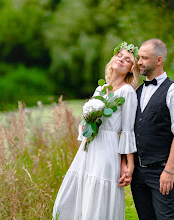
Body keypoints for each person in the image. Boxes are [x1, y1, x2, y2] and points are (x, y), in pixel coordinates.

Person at [52, 42, 140, 220]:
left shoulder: (127, 92)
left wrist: (128, 164)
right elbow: (86, 120)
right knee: (74, 194)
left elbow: (127, 131)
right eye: (119, 55)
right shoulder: (101, 88)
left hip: (107, 150)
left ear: (132, 69)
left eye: (128, 60)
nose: (122, 60)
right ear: (113, 59)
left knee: (98, 195)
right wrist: (84, 126)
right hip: (88, 148)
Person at [131, 38, 174, 220]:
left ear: (159, 60)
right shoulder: (136, 91)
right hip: (138, 174)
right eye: (139, 57)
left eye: (144, 58)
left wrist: (169, 170)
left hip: (161, 171)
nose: (139, 62)